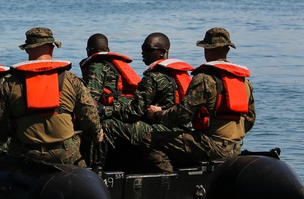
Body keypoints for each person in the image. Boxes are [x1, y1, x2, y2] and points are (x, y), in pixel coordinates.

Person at [0, 27, 103, 167]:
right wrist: (97, 134)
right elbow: (90, 115)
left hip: (26, 153)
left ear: (28, 49)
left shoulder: (9, 84)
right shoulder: (72, 80)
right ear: (52, 48)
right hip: (66, 154)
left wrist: (11, 133)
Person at [145, 28, 255, 172]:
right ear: (227, 50)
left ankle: (169, 180)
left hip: (211, 146)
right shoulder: (243, 81)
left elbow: (182, 116)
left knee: (149, 138)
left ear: (206, 50)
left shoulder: (204, 78)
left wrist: (158, 113)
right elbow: (250, 119)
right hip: (235, 148)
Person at [98, 33, 194, 170]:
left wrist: (103, 110)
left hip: (161, 130)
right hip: (180, 128)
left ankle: (99, 170)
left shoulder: (153, 77)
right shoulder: (179, 74)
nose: (143, 53)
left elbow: (135, 112)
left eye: (148, 49)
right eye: (142, 49)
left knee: (108, 125)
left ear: (162, 52)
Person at [79, 33, 140, 115]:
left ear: (88, 50)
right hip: (129, 105)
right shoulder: (114, 63)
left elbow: (90, 98)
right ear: (108, 50)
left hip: (114, 109)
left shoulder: (96, 67)